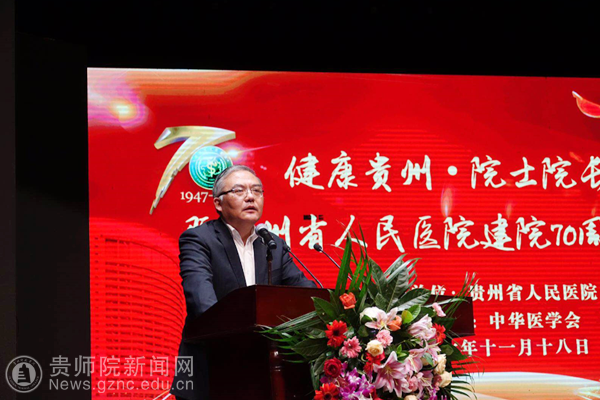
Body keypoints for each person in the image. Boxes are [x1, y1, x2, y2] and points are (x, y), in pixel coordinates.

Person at [170, 165, 316, 400]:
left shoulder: (273, 244)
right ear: (218, 203)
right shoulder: (199, 239)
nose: (250, 197)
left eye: (256, 190)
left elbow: (301, 293)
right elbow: (201, 301)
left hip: (265, 372)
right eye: (239, 190)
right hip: (210, 367)